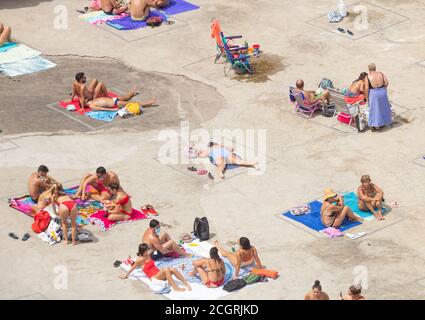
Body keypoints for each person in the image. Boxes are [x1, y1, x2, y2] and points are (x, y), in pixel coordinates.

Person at [120, 243, 192, 292]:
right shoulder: (140, 260)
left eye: (147, 250)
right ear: (142, 251)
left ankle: (186, 283)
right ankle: (175, 287)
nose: (147, 252)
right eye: (146, 251)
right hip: (155, 277)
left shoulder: (148, 255)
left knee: (172, 269)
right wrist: (125, 275)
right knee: (166, 269)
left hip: (159, 274)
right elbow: (132, 269)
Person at [365, 63, 392, 131]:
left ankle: (374, 125)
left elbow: (367, 88)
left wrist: (366, 96)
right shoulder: (381, 74)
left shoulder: (368, 77)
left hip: (374, 93)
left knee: (374, 109)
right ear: (375, 68)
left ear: (369, 69)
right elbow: (386, 83)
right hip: (382, 92)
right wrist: (384, 89)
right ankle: (383, 122)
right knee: (383, 108)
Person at [87, 87, 156, 111]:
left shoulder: (91, 100)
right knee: (131, 104)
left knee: (126, 97)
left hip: (113, 99)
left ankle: (131, 93)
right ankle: (147, 104)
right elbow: (102, 109)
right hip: (115, 104)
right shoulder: (91, 106)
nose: (85, 99)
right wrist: (112, 110)